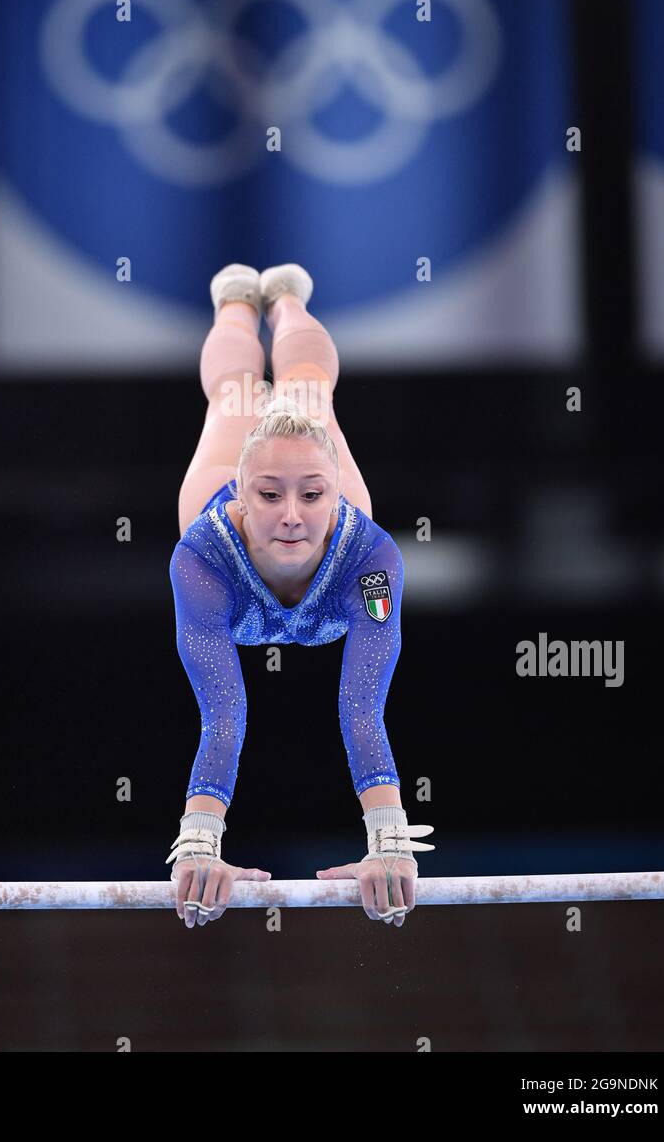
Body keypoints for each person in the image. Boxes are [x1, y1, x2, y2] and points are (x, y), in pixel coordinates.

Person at [168, 263, 433, 929]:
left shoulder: (372, 562)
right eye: (268, 493)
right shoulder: (201, 558)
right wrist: (200, 845)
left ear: (336, 493)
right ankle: (232, 302)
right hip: (230, 557)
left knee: (309, 390)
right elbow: (223, 713)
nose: (291, 513)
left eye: (312, 494)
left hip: (331, 562)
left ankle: (285, 298)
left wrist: (390, 844)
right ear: (239, 492)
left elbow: (362, 706)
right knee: (233, 394)